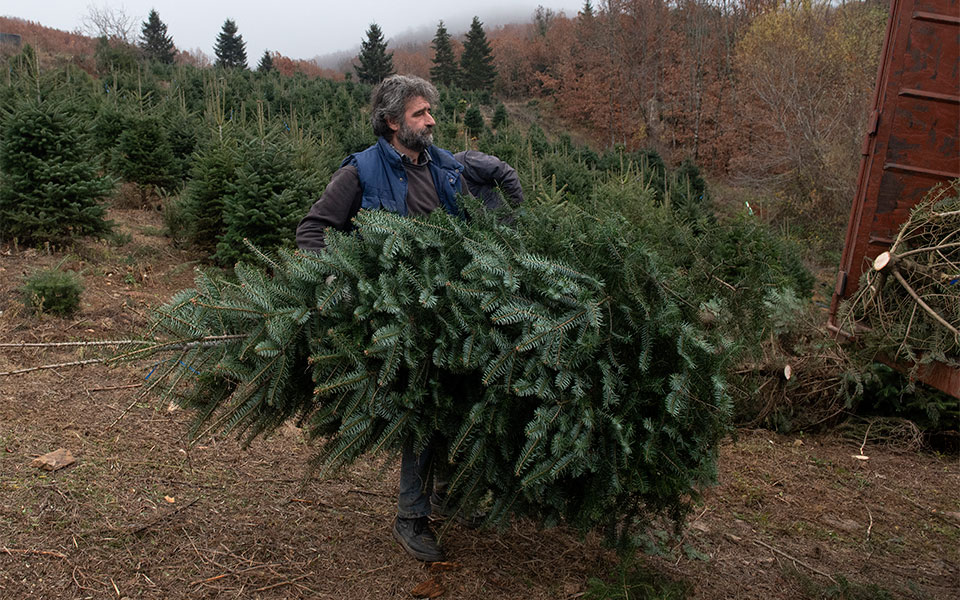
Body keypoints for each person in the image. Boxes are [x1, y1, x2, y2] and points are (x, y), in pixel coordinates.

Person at [296, 74, 522, 562]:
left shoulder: (444, 167)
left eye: (430, 112)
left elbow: (476, 215)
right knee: (421, 407)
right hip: (398, 314)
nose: (431, 120)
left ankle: (446, 495)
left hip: (452, 307)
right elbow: (313, 229)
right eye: (420, 113)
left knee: (458, 402)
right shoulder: (361, 171)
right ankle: (411, 517)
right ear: (393, 120)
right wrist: (337, 280)